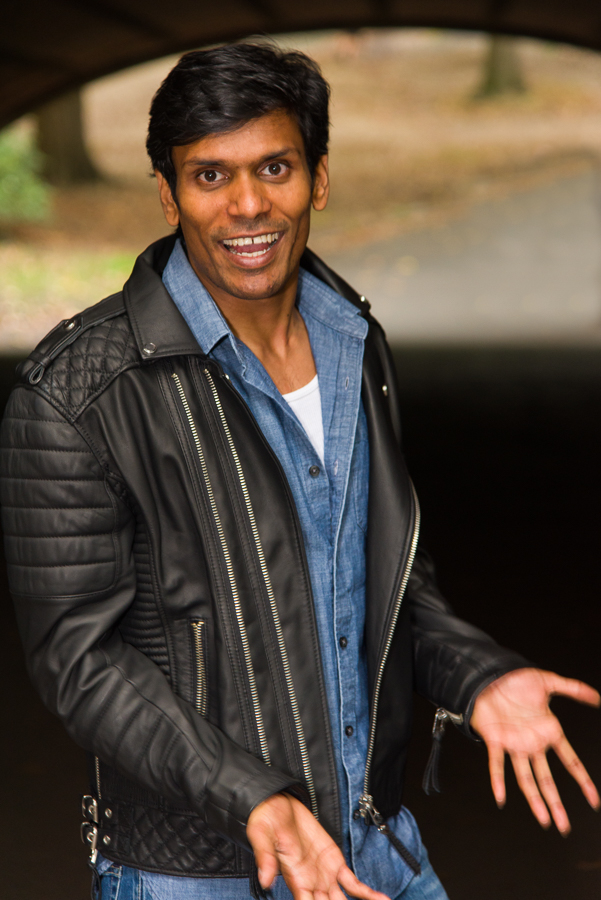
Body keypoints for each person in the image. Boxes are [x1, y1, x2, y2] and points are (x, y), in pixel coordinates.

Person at [1, 42, 599, 900]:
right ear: (168, 194)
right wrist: (251, 796)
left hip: (374, 844)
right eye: (210, 176)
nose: (248, 204)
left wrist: (476, 675)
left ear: (318, 179)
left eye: (274, 168)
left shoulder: (353, 342)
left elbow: (375, 582)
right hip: (194, 876)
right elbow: (79, 660)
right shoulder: (77, 395)